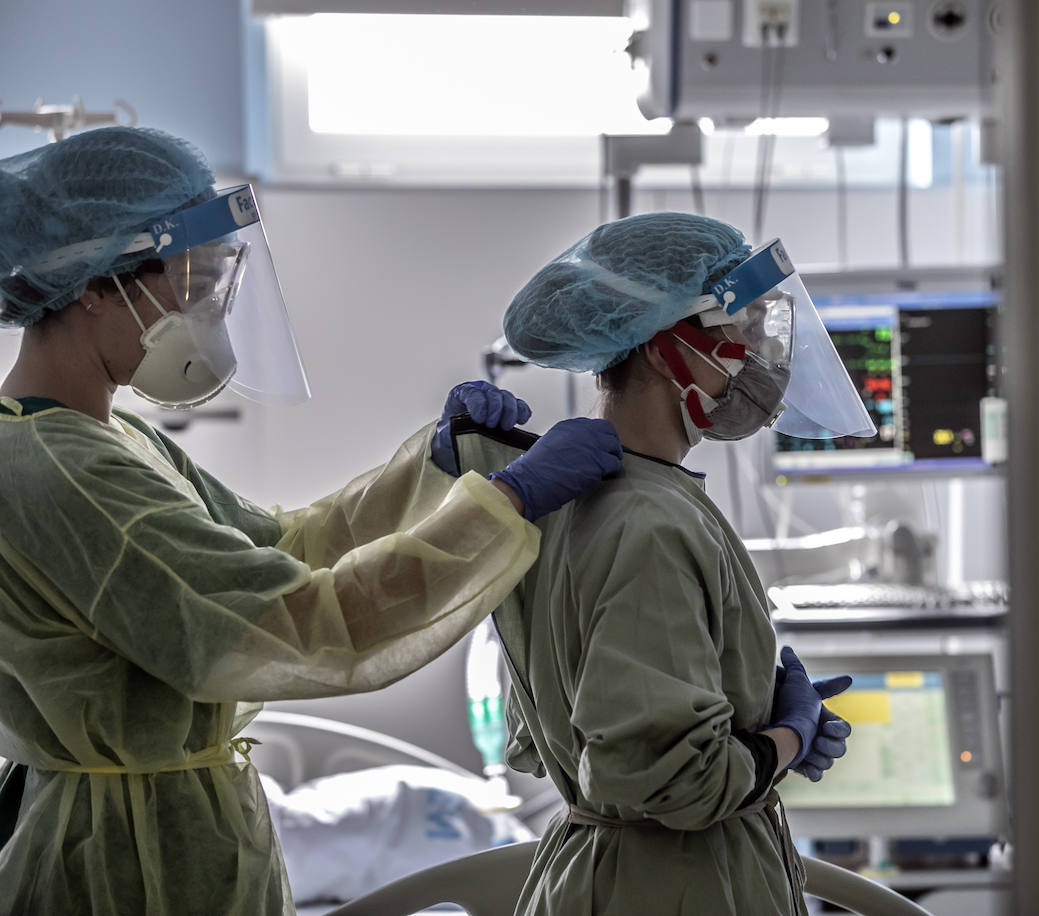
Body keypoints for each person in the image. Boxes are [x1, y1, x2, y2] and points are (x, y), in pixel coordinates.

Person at [0, 126, 621, 915]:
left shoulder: (105, 438)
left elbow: (281, 546)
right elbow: (292, 622)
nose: (205, 311)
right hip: (125, 867)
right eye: (191, 284)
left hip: (172, 836)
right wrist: (508, 504)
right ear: (92, 282)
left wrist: (429, 469)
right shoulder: (63, 471)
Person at [493, 212, 878, 915]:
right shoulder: (650, 523)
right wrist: (786, 737)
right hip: (671, 887)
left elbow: (540, 738)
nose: (764, 356)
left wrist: (746, 703)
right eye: (745, 330)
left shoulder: (564, 497)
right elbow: (673, 784)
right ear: (669, 346)